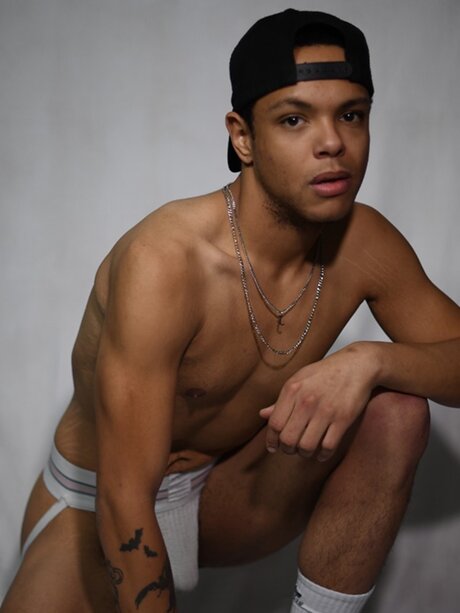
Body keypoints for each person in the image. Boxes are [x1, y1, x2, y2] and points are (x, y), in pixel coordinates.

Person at [2, 8, 460, 613]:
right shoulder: (164, 261)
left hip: (230, 495)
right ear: (243, 137)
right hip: (100, 504)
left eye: (351, 115)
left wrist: (370, 360)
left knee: (396, 410)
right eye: (294, 119)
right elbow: (123, 496)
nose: (332, 142)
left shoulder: (366, 244)